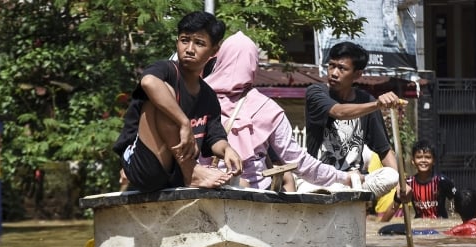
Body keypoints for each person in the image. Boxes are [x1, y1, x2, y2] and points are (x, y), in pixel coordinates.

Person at [201, 31, 359, 190]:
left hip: (198, 191)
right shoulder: (266, 109)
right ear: (253, 65)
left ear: (220, 59)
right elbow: (298, 161)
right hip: (252, 201)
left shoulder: (197, 97)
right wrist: (343, 177)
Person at [112, 11, 242, 192]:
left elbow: (214, 138)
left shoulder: (208, 96)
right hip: (145, 165)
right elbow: (148, 82)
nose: (189, 49)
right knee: (164, 91)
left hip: (174, 174)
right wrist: (184, 123)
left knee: (240, 184)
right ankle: (191, 171)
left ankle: (190, 172)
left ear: (214, 51)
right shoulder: (166, 70)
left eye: (199, 43)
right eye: (184, 40)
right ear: (177, 42)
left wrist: (227, 149)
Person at [305, 41, 403, 198]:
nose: (334, 73)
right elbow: (339, 112)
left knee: (391, 175)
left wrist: (400, 186)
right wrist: (377, 104)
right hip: (319, 179)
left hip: (355, 181)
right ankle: (343, 193)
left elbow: (384, 150)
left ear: (357, 74)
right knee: (306, 185)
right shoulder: (316, 93)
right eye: (331, 65)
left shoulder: (366, 101)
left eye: (342, 68)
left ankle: (347, 192)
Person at [405, 140, 456, 218]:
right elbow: (395, 205)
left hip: (440, 225)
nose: (423, 160)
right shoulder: (408, 183)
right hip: (418, 226)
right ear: (413, 161)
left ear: (434, 161)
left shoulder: (442, 181)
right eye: (419, 157)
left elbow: (457, 200)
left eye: (428, 157)